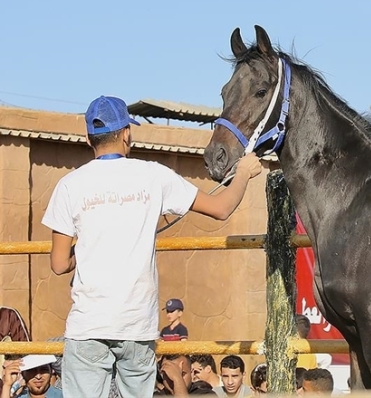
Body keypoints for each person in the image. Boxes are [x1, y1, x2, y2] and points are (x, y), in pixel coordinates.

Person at [42, 95, 262, 398]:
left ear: (88, 138)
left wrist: (86, 249)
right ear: (126, 134)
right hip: (137, 327)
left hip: (88, 327)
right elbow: (221, 208)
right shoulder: (152, 175)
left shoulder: (69, 185)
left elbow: (57, 264)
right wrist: (244, 173)